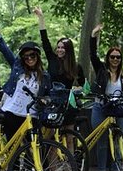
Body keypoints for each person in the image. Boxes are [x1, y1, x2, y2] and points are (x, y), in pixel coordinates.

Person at [0, 13, 52, 141]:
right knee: (13, 151)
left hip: (31, 116)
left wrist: (45, 100)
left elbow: (48, 95)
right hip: (11, 113)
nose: (29, 59)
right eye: (26, 57)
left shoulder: (45, 76)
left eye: (32, 55)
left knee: (36, 151)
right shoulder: (17, 67)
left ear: (37, 56)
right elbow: (4, 48)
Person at [90, 23, 123, 171]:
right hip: (101, 107)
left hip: (117, 110)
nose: (115, 59)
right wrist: (94, 35)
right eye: (112, 57)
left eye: (118, 57)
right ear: (108, 58)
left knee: (118, 140)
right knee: (101, 141)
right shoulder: (101, 70)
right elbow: (92, 54)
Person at [34, 7, 85, 141]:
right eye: (59, 47)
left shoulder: (76, 67)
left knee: (69, 137)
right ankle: (53, 162)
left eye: (63, 47)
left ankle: (70, 162)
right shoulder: (52, 59)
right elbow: (45, 40)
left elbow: (84, 86)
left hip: (68, 104)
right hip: (52, 103)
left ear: (68, 50)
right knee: (51, 136)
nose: (60, 49)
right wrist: (41, 18)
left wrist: (77, 91)